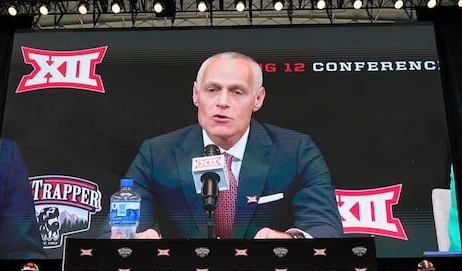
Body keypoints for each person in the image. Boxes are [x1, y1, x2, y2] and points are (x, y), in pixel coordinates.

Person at [115, 51, 343, 240]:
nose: (222, 102)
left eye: (237, 92)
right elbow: (116, 228)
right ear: (196, 94)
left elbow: (325, 229)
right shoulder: (156, 154)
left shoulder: (296, 151)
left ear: (258, 99)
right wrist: (130, 237)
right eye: (212, 90)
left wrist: (291, 240)